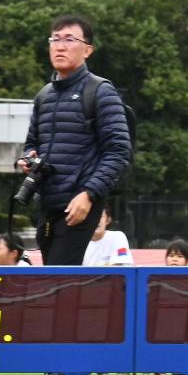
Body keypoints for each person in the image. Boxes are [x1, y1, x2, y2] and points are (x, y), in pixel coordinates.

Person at [21, 15, 133, 266]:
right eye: (55, 39)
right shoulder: (44, 96)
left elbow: (118, 150)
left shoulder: (101, 91)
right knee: (52, 279)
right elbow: (31, 144)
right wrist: (29, 159)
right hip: (48, 205)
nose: (60, 46)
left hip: (79, 206)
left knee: (62, 281)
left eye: (69, 39)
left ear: (88, 50)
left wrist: (89, 194)